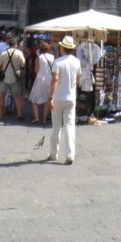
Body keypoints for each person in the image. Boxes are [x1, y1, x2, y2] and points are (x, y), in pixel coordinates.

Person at [46, 36, 81, 165]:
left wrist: (50, 97)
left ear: (62, 48)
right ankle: (70, 154)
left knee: (56, 127)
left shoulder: (58, 62)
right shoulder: (77, 62)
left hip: (58, 97)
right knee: (69, 126)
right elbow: (78, 79)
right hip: (71, 97)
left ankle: (53, 153)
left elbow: (55, 79)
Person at [0, 35, 26, 121]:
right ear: (16, 44)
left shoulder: (4, 53)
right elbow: (23, 64)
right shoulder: (19, 53)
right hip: (14, 77)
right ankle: (19, 114)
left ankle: (0, 115)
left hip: (4, 77)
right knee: (16, 96)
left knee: (2, 96)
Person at [29, 40, 54, 125]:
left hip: (40, 78)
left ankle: (36, 117)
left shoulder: (39, 57)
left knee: (34, 99)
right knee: (47, 99)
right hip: (49, 79)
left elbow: (36, 70)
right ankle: (44, 119)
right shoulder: (52, 57)